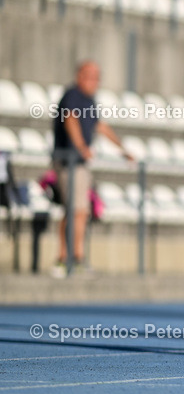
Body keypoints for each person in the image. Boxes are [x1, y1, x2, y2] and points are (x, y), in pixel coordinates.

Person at [52, 61, 133, 276]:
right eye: (90, 76)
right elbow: (70, 119)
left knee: (79, 211)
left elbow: (100, 126)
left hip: (80, 163)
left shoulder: (89, 101)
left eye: (97, 77)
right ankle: (66, 258)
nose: (94, 81)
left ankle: (74, 257)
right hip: (70, 161)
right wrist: (81, 147)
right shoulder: (73, 96)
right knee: (76, 210)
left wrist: (122, 149)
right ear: (79, 75)